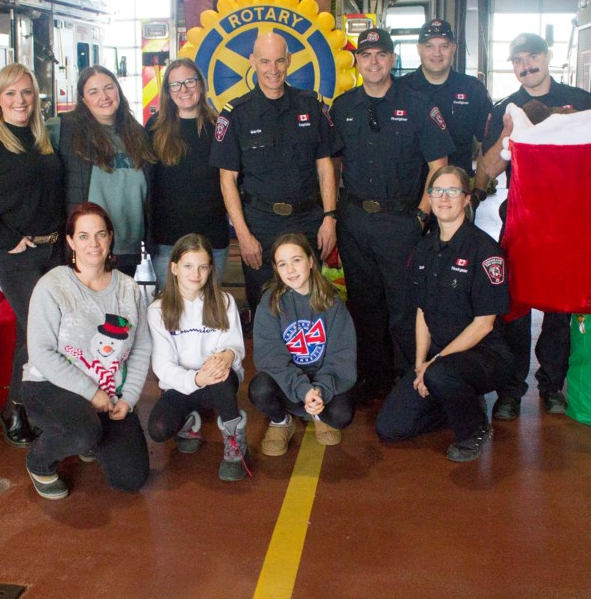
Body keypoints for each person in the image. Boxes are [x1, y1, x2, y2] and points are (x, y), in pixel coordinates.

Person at [475, 32, 591, 421]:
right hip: (521, 217)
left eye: (533, 57)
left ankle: (551, 386)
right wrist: (509, 136)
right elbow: (486, 170)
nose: (526, 65)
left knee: (560, 308)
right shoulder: (502, 109)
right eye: (518, 60)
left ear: (548, 57)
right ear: (511, 65)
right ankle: (511, 391)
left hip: (568, 221)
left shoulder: (580, 101)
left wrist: (578, 126)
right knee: (514, 308)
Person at [330, 28, 453, 400]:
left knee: (403, 307)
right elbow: (332, 165)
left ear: (393, 58)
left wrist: (420, 215)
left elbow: (439, 165)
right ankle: (372, 377)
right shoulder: (342, 106)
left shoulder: (418, 105)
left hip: (401, 222)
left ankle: (405, 379)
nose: (373, 62)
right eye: (366, 55)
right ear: (357, 61)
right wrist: (335, 214)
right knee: (364, 306)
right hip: (354, 222)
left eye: (381, 54)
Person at [0, 63, 66, 448]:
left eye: (26, 93)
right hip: (17, 253)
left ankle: (33, 403)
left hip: (54, 249)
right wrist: (6, 238)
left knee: (40, 330)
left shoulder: (44, 141)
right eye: (11, 93)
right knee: (35, 330)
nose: (20, 100)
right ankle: (15, 407)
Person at [376, 166, 513, 462]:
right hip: (439, 358)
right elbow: (422, 312)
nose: (444, 198)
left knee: (441, 374)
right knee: (390, 427)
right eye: (438, 191)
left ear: (466, 199)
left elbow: (484, 325)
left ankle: (474, 430)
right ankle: (455, 402)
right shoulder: (424, 250)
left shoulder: (486, 251)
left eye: (453, 191)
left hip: (485, 355)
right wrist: (419, 365)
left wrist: (433, 365)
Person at [21, 203, 151, 499]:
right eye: (83, 236)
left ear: (110, 238)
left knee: (130, 479)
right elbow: (41, 352)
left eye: (100, 234)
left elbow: (142, 348)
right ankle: (39, 461)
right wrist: (91, 393)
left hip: (109, 393)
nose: (93, 243)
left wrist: (128, 399)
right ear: (70, 242)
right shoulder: (52, 285)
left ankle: (89, 433)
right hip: (49, 385)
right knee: (82, 433)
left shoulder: (129, 289)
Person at [210, 32, 342, 318]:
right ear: (252, 62)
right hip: (261, 225)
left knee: (311, 302)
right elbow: (227, 180)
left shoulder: (311, 106)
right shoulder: (236, 114)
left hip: (307, 221)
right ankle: (271, 364)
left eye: (280, 61)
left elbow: (325, 166)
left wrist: (329, 219)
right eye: (265, 61)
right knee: (265, 307)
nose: (273, 69)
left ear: (289, 61)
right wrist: (243, 236)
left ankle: (312, 362)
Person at [146, 234, 249, 481]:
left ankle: (235, 441)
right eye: (188, 266)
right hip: (181, 385)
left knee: (222, 375)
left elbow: (234, 344)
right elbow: (162, 365)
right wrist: (196, 379)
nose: (196, 273)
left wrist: (227, 355)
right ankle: (188, 421)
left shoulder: (223, 302)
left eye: (203, 267)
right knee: (158, 429)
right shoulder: (157, 310)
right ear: (174, 268)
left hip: (216, 380)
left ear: (210, 269)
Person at [250, 233, 356, 456]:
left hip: (322, 382)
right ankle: (281, 420)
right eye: (282, 264)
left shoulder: (332, 302)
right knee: (259, 389)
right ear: (276, 269)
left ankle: (318, 414)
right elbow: (271, 357)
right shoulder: (270, 303)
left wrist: (320, 391)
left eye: (296, 260)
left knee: (341, 415)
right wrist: (302, 389)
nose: (290, 270)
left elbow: (341, 356)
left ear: (310, 261)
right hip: (289, 383)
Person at [50, 65, 156, 277]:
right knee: (86, 309)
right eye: (93, 92)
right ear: (83, 99)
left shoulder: (137, 133)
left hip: (127, 248)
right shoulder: (63, 128)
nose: (104, 96)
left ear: (118, 90)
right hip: (87, 249)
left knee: (119, 310)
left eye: (109, 87)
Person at [146, 58, 230, 288]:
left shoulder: (220, 127)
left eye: (189, 82)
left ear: (201, 85)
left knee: (208, 314)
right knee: (172, 315)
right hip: (167, 242)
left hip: (212, 239)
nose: (183, 89)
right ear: (168, 92)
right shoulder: (154, 128)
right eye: (175, 84)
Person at [401, 19, 493, 177]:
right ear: (419, 49)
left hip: (455, 192)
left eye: (444, 46)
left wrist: (478, 190)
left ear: (454, 48)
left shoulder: (473, 90)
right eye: (429, 46)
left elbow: (485, 146)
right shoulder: (400, 89)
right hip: (408, 194)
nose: (437, 53)